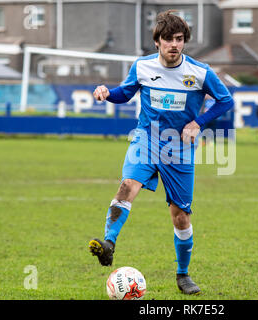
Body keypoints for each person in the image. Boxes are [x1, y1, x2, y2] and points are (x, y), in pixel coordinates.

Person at [89, 10, 234, 295]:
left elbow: (225, 100)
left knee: (180, 215)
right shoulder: (142, 66)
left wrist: (198, 122)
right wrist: (108, 93)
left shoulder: (200, 72)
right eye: (168, 39)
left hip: (178, 148)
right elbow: (125, 93)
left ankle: (183, 275)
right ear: (157, 41)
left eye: (179, 39)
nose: (174, 45)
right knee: (127, 186)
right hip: (145, 139)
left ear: (184, 41)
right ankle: (109, 243)